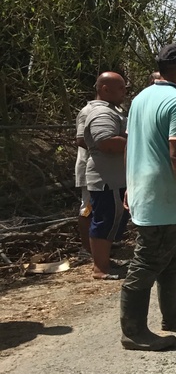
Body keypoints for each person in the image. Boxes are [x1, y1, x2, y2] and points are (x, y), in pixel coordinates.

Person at [121, 45, 176, 351]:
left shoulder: (141, 98)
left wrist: (130, 186)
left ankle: (172, 314)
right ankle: (133, 331)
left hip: (146, 190)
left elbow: (134, 147)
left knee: (171, 258)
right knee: (147, 262)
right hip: (162, 195)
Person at [83, 72, 129, 280]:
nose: (124, 92)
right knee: (105, 220)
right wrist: (139, 142)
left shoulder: (111, 110)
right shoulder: (101, 113)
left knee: (114, 219)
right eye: (120, 87)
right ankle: (100, 268)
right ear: (104, 89)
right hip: (106, 180)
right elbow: (106, 142)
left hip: (114, 178)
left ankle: (105, 262)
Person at [73, 98, 94, 259]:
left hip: (105, 171)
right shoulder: (87, 111)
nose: (124, 92)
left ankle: (98, 243)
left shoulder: (116, 110)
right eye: (120, 88)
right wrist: (107, 145)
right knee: (87, 208)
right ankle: (86, 250)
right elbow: (81, 140)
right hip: (89, 168)